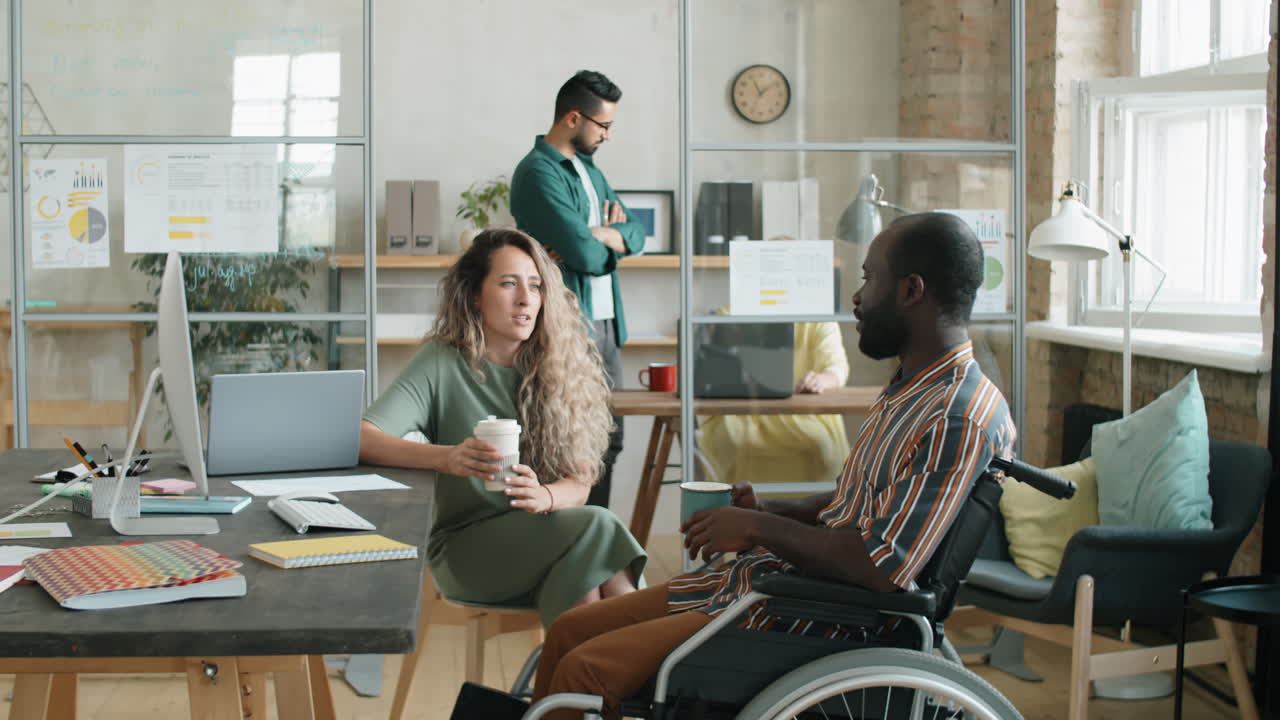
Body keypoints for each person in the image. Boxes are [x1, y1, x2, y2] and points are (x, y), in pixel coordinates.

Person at [528, 212, 1018, 719]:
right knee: (568, 631)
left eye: (870, 278)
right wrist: (768, 509)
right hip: (768, 585)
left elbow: (880, 567)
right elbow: (857, 505)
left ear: (912, 290)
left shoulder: (956, 415)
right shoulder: (913, 387)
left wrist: (759, 529)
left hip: (812, 617)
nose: (857, 296)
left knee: (584, 671)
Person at [359, 228, 645, 627]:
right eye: (509, 284)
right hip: (467, 550)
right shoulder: (441, 362)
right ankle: (643, 656)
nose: (526, 299)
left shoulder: (559, 368)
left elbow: (579, 484)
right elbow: (364, 437)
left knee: (585, 565)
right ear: (475, 295)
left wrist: (545, 496)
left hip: (551, 539)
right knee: (598, 531)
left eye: (535, 286)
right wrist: (446, 458)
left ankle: (592, 666)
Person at [510, 69, 646, 509]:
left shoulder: (589, 170)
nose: (607, 135)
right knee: (571, 446)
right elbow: (585, 256)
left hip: (605, 325)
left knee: (611, 440)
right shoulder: (537, 173)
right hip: (569, 327)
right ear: (573, 118)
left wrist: (601, 234)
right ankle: (575, 538)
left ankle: (597, 535)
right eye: (603, 125)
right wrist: (604, 241)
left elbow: (638, 232)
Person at [697, 320, 851, 488]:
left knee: (819, 440)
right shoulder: (728, 317)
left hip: (805, 415)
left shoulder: (819, 321)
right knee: (727, 438)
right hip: (742, 412)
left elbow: (836, 368)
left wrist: (821, 380)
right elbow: (715, 369)